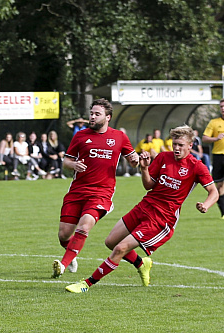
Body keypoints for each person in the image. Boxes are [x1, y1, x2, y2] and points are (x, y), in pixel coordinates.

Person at [66, 125, 218, 293]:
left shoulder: (196, 166)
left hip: (162, 219)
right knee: (110, 242)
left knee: (120, 248)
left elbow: (214, 192)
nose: (176, 148)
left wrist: (206, 205)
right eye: (174, 144)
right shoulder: (162, 157)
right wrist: (144, 168)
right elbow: (148, 185)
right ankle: (141, 263)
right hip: (144, 206)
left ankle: (86, 284)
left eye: (181, 145)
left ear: (190, 145)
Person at [52, 98, 139, 279]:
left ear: (107, 117)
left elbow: (133, 159)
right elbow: (66, 161)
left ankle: (63, 263)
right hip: (77, 191)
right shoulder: (81, 135)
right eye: (91, 113)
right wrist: (74, 165)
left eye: (96, 114)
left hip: (101, 192)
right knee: (64, 235)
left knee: (84, 227)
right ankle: (72, 254)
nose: (92, 117)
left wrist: (137, 160)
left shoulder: (119, 137)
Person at [201, 98, 224, 217]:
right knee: (219, 187)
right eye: (221, 107)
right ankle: (223, 212)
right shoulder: (214, 122)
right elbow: (204, 138)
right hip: (219, 156)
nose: (223, 109)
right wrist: (216, 138)